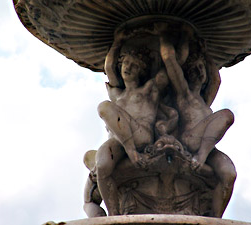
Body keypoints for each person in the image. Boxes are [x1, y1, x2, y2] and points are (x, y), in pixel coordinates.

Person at [158, 24, 236, 217]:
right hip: (192, 142)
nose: (200, 73)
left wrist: (205, 53)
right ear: (188, 73)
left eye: (202, 70)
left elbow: (216, 79)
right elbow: (169, 59)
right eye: (195, 69)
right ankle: (200, 156)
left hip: (208, 146)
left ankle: (214, 218)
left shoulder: (204, 100)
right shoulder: (184, 94)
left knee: (228, 174)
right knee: (226, 114)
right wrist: (171, 37)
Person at [96, 31, 166, 215]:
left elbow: (168, 70)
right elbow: (109, 67)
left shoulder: (149, 90)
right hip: (119, 140)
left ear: (141, 70)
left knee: (104, 107)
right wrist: (117, 42)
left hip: (141, 136)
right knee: (102, 166)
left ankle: (132, 153)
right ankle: (114, 215)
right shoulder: (117, 94)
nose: (127, 67)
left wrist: (163, 39)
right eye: (126, 63)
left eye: (134, 66)